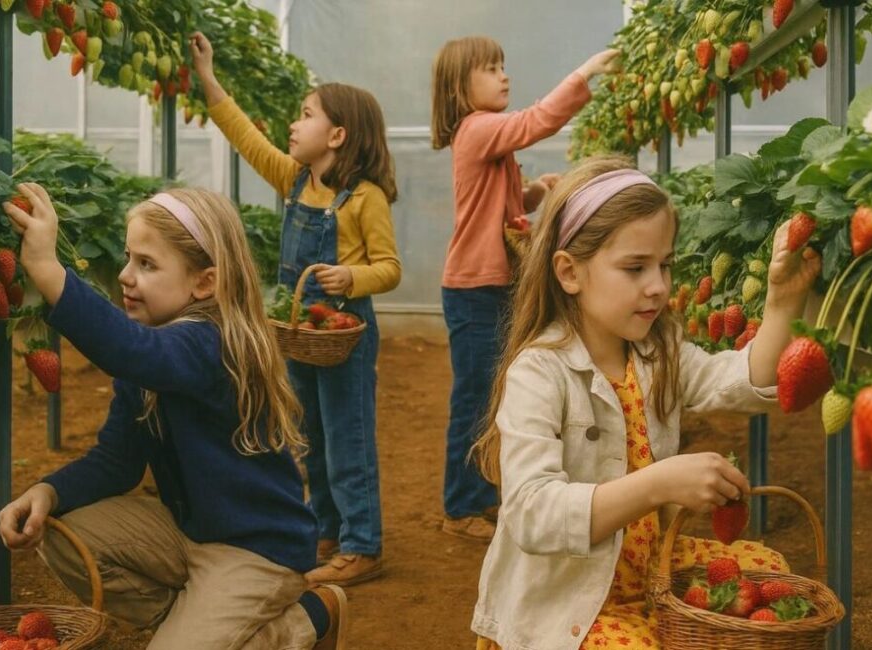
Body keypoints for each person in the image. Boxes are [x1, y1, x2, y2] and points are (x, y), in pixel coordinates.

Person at [470, 155, 822, 649]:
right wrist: (657, 483)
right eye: (635, 267)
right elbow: (532, 513)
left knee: (771, 572)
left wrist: (783, 301)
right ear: (569, 272)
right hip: (571, 601)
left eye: (664, 265)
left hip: (648, 566)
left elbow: (745, 382)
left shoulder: (659, 353)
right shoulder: (540, 373)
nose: (658, 286)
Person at [0, 183, 346, 649]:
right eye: (129, 258)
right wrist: (48, 491)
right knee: (61, 533)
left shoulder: (210, 343)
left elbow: (134, 352)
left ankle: (305, 619)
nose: (125, 275)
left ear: (204, 282)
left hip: (256, 551)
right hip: (187, 533)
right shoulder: (151, 351)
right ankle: (200, 626)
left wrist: (46, 268)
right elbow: (117, 462)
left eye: (147, 264)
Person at [192, 32, 401, 586]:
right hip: (297, 334)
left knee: (348, 437)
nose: (293, 124)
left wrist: (351, 276)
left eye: (306, 115)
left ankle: (363, 544)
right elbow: (245, 137)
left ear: (337, 135)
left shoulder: (365, 197)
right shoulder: (294, 179)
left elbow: (389, 267)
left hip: (346, 335)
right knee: (310, 434)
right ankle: (327, 530)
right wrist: (208, 78)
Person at [430, 36, 619, 541]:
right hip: (474, 289)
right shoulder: (477, 128)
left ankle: (479, 495)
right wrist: (583, 72)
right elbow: (536, 121)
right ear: (459, 87)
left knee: (492, 392)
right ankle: (460, 506)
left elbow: (498, 204)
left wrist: (533, 193)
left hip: (491, 285)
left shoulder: (485, 137)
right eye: (491, 69)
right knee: (475, 398)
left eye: (503, 66)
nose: (504, 76)